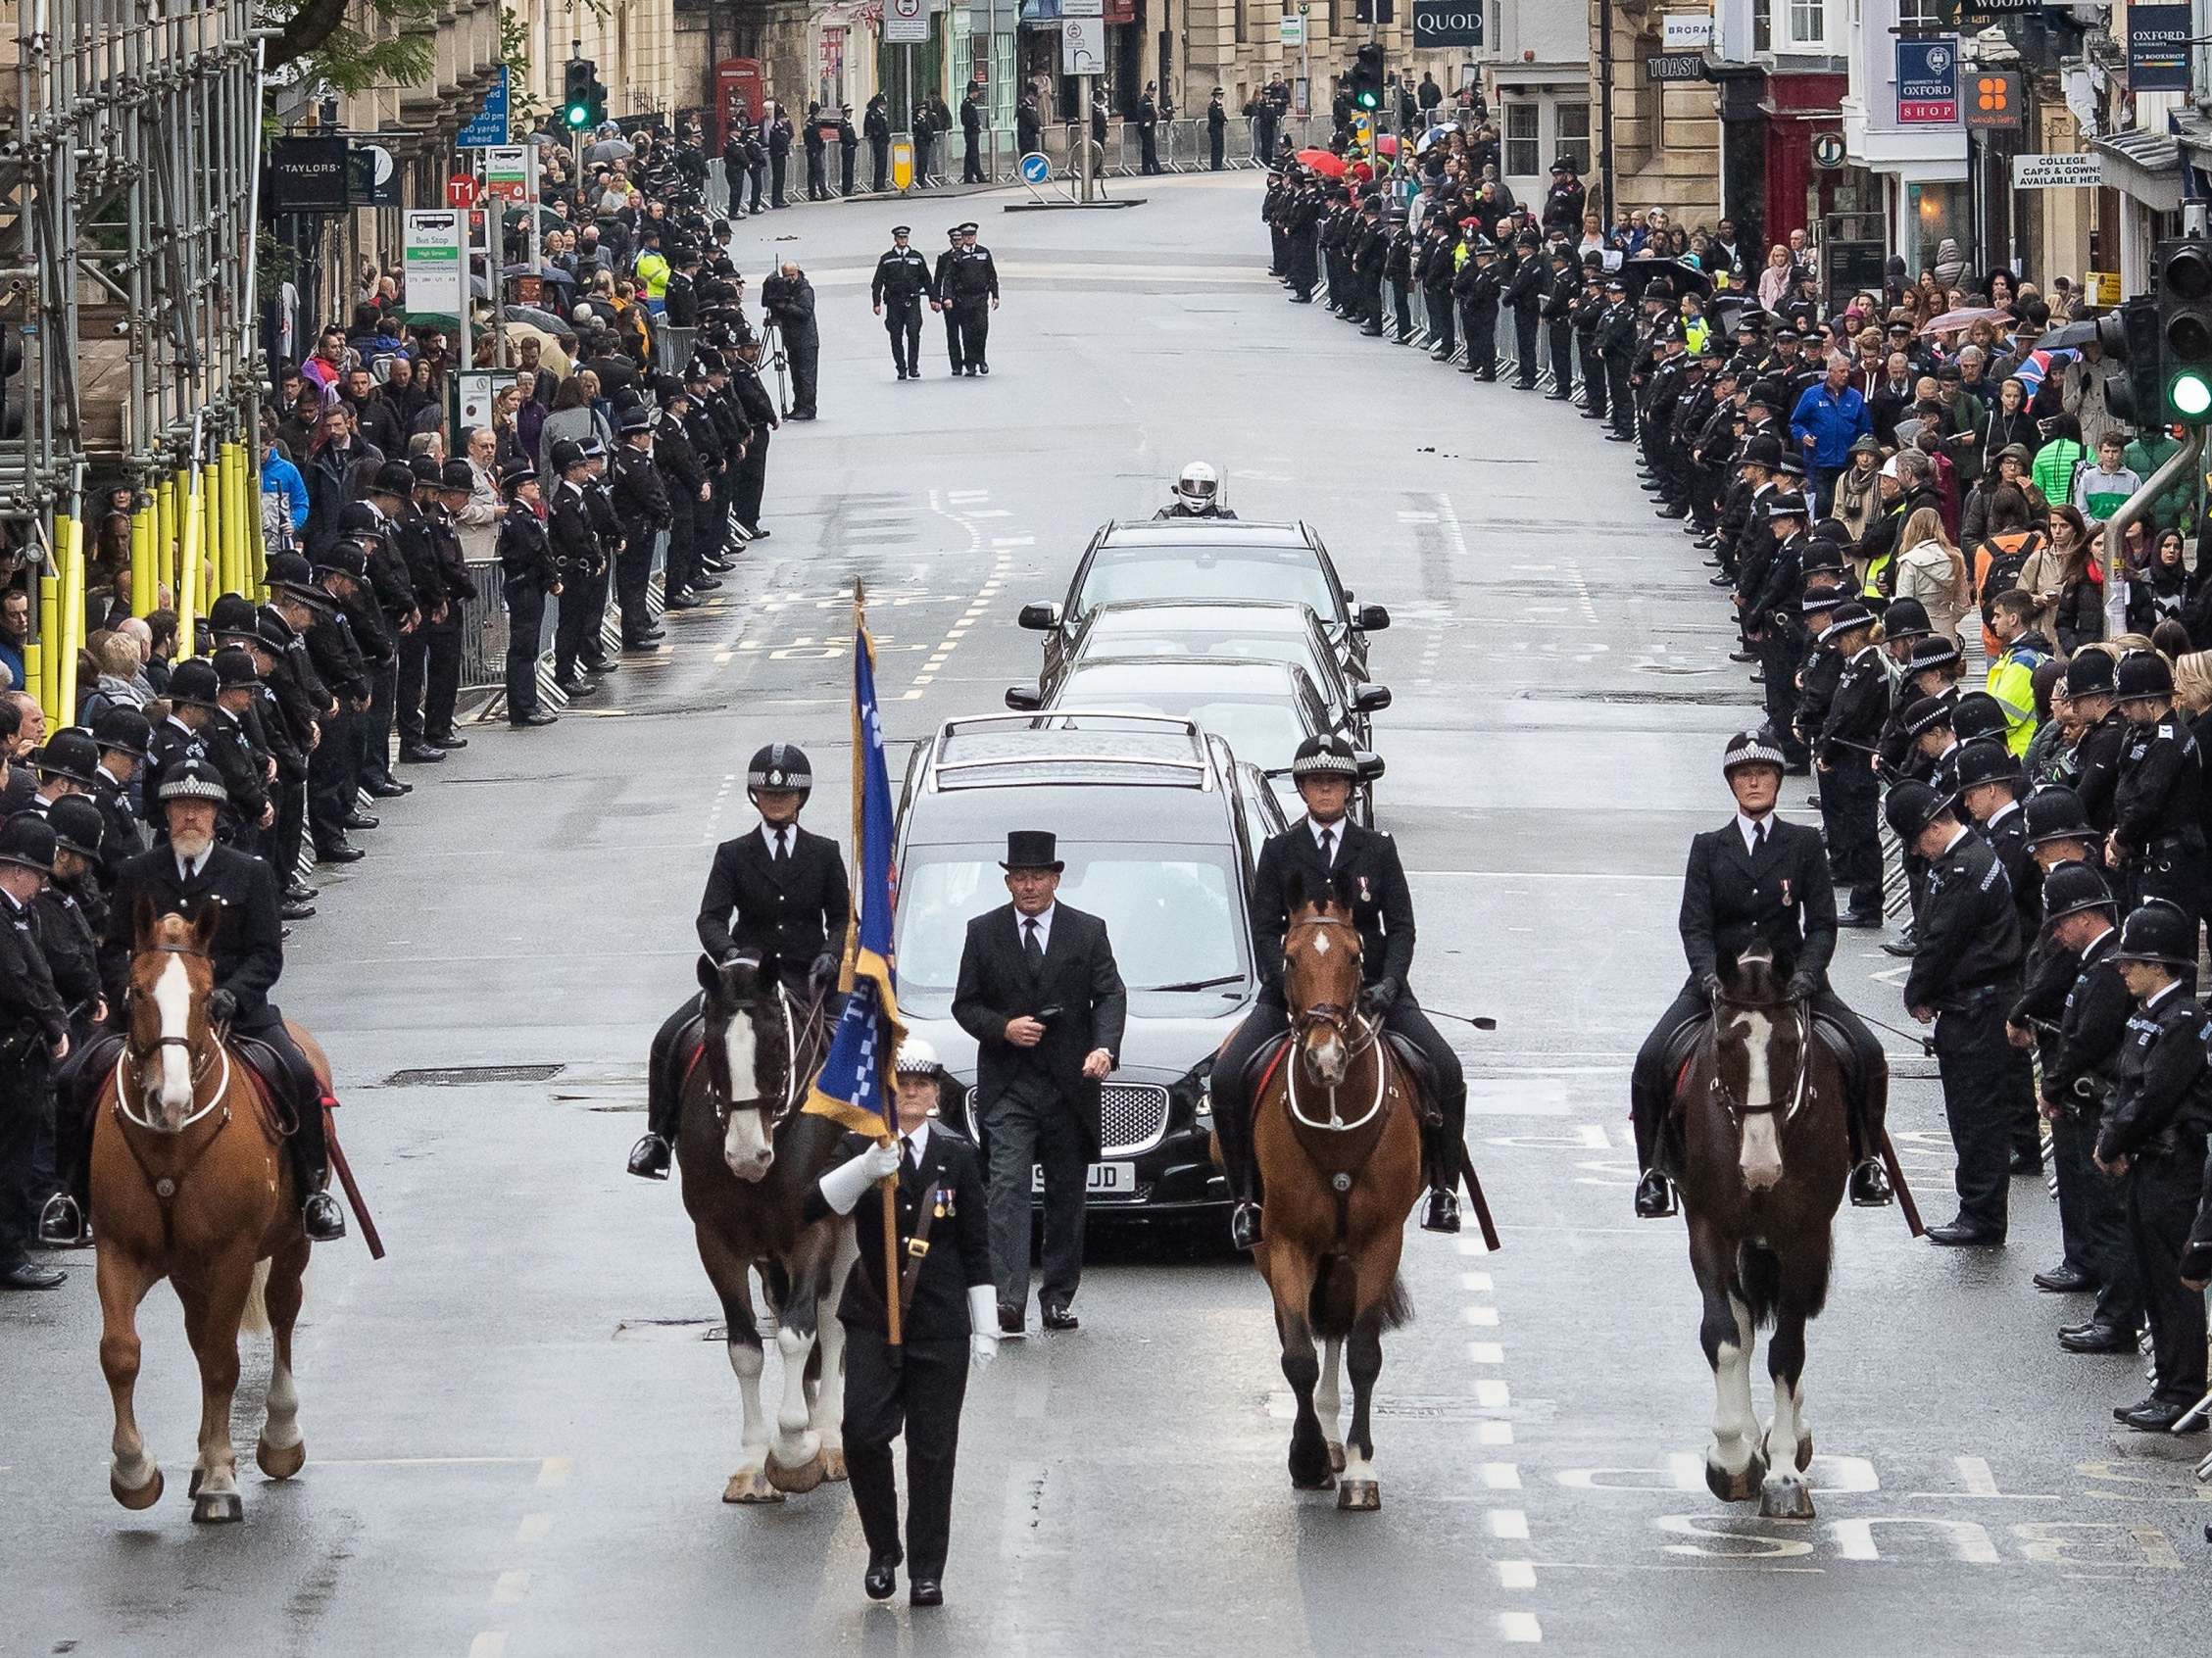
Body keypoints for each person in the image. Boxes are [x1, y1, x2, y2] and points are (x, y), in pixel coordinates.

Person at [1209, 736, 1470, 1248]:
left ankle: (1443, 1188)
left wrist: (1391, 984)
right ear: (1302, 789)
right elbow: (1263, 928)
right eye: (1315, 781)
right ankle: (1245, 1198)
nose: (1325, 789)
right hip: (1297, 994)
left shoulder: (1378, 849)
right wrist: (1282, 982)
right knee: (1226, 1076)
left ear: (1349, 790)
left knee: (1447, 1070)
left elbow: (1401, 929)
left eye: (1335, 781)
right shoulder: (1280, 851)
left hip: (1373, 992)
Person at [1628, 732, 1892, 1218]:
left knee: (1868, 1053)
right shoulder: (1708, 847)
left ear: (1776, 781)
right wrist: (1708, 977)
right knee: (1650, 1060)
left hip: (1790, 982)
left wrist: (1808, 975)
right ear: (1732, 784)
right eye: (1745, 775)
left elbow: (1821, 923)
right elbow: (1695, 924)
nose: (1755, 782)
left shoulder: (1804, 842)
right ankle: (1654, 1171)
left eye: (1764, 774)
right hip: (1722, 983)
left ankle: (1866, 1161)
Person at [88, 759, 345, 1242]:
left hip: (232, 1011)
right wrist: (130, 998)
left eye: (201, 807)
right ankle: (71, 1196)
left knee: (297, 1073)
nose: (191, 816)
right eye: (181, 807)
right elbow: (112, 950)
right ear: (165, 814)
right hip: (152, 1014)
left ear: (216, 815)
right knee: (75, 1076)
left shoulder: (250, 872)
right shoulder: (137, 872)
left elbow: (267, 955)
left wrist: (233, 994)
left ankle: (312, 1191)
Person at [807, 1037, 996, 1607]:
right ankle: (883, 1550)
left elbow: (977, 1246)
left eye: (922, 1083)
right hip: (873, 1317)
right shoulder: (861, 1146)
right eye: (902, 1083)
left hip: (939, 1324)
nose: (911, 1092)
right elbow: (814, 1206)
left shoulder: (957, 1154)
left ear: (936, 1092)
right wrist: (865, 1168)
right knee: (862, 1434)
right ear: (887, 1089)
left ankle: (928, 1570)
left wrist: (984, 1323)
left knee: (934, 1451)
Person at [627, 743, 850, 1180]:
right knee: (668, 1037)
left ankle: (867, 1137)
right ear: (755, 798)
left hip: (808, 975)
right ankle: (659, 1139)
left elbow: (842, 916)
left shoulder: (824, 852)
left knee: (862, 1038)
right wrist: (730, 957)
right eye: (768, 795)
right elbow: (710, 917)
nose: (777, 801)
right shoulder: (733, 853)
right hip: (746, 978)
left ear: (801, 799)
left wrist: (830, 953)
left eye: (785, 796)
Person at [951, 829, 1125, 1333]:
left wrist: (1103, 1048)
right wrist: (1003, 1028)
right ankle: (1008, 1300)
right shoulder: (982, 932)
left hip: (1069, 1085)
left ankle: (1058, 1297)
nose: (1029, 887)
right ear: (1007, 882)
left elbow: (1110, 994)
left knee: (1068, 1195)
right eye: (1020, 878)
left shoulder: (1087, 931)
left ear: (1056, 878)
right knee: (1005, 1188)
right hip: (1009, 1086)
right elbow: (965, 1004)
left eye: (1038, 877)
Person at [1886, 779, 2031, 1245]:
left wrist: (1917, 993)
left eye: (1915, 842)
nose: (1918, 853)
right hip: (1988, 1001)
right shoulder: (1978, 854)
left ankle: (1981, 1215)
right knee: (1982, 1113)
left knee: (1975, 1117)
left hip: (1976, 1009)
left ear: (1929, 829)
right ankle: (1981, 1210)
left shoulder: (1962, 870)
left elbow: (1939, 941)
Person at [2014, 858, 2142, 1354]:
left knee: (2111, 1215)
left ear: (2086, 916)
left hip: (2099, 1098)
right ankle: (2109, 1308)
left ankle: (2116, 1319)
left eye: (2062, 922)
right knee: (2098, 1208)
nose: (2058, 933)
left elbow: (2088, 1038)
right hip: (2085, 1096)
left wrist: (2053, 1085)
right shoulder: (2096, 963)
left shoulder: (2108, 969)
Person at [2093, 901, 2212, 1433]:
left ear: (2160, 966)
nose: (2122, 968)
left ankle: (2182, 1386)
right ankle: (2167, 1381)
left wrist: (2113, 1141)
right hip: (2146, 1159)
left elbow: (2156, 1097)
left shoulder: (2183, 1020)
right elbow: (2125, 1087)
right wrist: (2111, 1136)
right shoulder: (2150, 1016)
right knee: (2151, 1274)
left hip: (2172, 1163)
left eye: (2133, 961)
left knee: (2172, 1280)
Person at [0, 814, 70, 1289]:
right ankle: (8, 1253)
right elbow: (20, 980)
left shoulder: (18, 915)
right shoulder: (5, 918)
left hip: (21, 1049)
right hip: (12, 1054)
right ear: (20, 870)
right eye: (40, 876)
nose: (42, 886)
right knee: (12, 1156)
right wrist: (54, 1024)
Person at [2105, 650, 2205, 925]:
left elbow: (2146, 802)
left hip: (2165, 864)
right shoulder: (2141, 735)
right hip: (2144, 859)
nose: (2122, 710)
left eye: (2128, 703)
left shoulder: (2169, 741)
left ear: (2150, 701)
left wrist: (2120, 840)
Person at [494, 458, 559, 730]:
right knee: (523, 648)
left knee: (528, 648)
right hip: (525, 586)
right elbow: (534, 551)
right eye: (531, 483)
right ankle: (523, 707)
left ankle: (527, 704)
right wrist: (552, 578)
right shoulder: (518, 517)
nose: (536, 487)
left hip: (529, 585)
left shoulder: (524, 514)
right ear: (519, 489)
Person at [872, 226, 935, 381]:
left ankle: (913, 367)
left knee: (913, 333)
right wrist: (877, 302)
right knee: (895, 335)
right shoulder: (887, 258)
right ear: (895, 239)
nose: (902, 240)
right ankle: (901, 367)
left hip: (912, 300)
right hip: (894, 302)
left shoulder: (917, 257)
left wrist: (933, 299)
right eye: (900, 238)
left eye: (905, 238)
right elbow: (878, 282)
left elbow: (927, 279)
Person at [941, 222, 1000, 377]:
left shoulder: (984, 253)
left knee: (982, 329)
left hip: (980, 297)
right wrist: (947, 297)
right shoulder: (957, 255)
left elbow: (992, 275)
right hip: (964, 299)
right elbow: (948, 278)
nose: (969, 238)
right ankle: (971, 364)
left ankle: (981, 359)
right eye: (966, 236)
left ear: (975, 236)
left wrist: (995, 295)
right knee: (968, 333)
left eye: (972, 235)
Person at [762, 262, 819, 420]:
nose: (788, 280)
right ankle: (798, 405)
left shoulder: (805, 290)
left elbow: (805, 313)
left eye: (790, 276)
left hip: (806, 340)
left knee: (806, 375)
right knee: (796, 375)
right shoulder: (786, 289)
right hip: (791, 339)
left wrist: (786, 306)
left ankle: (808, 408)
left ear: (796, 274)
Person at [1156, 461, 1234, 518]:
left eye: (1203, 488)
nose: (1197, 491)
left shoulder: (1225, 515)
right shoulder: (1167, 514)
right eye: (1191, 487)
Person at [959, 82, 985, 183]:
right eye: (977, 92)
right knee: (973, 153)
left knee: (969, 153)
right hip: (971, 131)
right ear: (973, 92)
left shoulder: (970, 103)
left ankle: (968, 176)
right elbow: (967, 119)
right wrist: (976, 124)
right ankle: (979, 175)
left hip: (972, 130)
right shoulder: (967, 104)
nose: (977, 94)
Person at [1206, 88, 1228, 171]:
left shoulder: (1219, 104)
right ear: (1215, 95)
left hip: (1219, 127)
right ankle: (1215, 165)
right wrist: (1223, 120)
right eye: (1219, 94)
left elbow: (1222, 114)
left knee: (1220, 146)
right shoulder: (1213, 105)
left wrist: (1225, 119)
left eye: (1221, 94)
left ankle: (1219, 164)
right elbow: (1216, 115)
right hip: (1215, 128)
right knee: (1216, 146)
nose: (1221, 96)